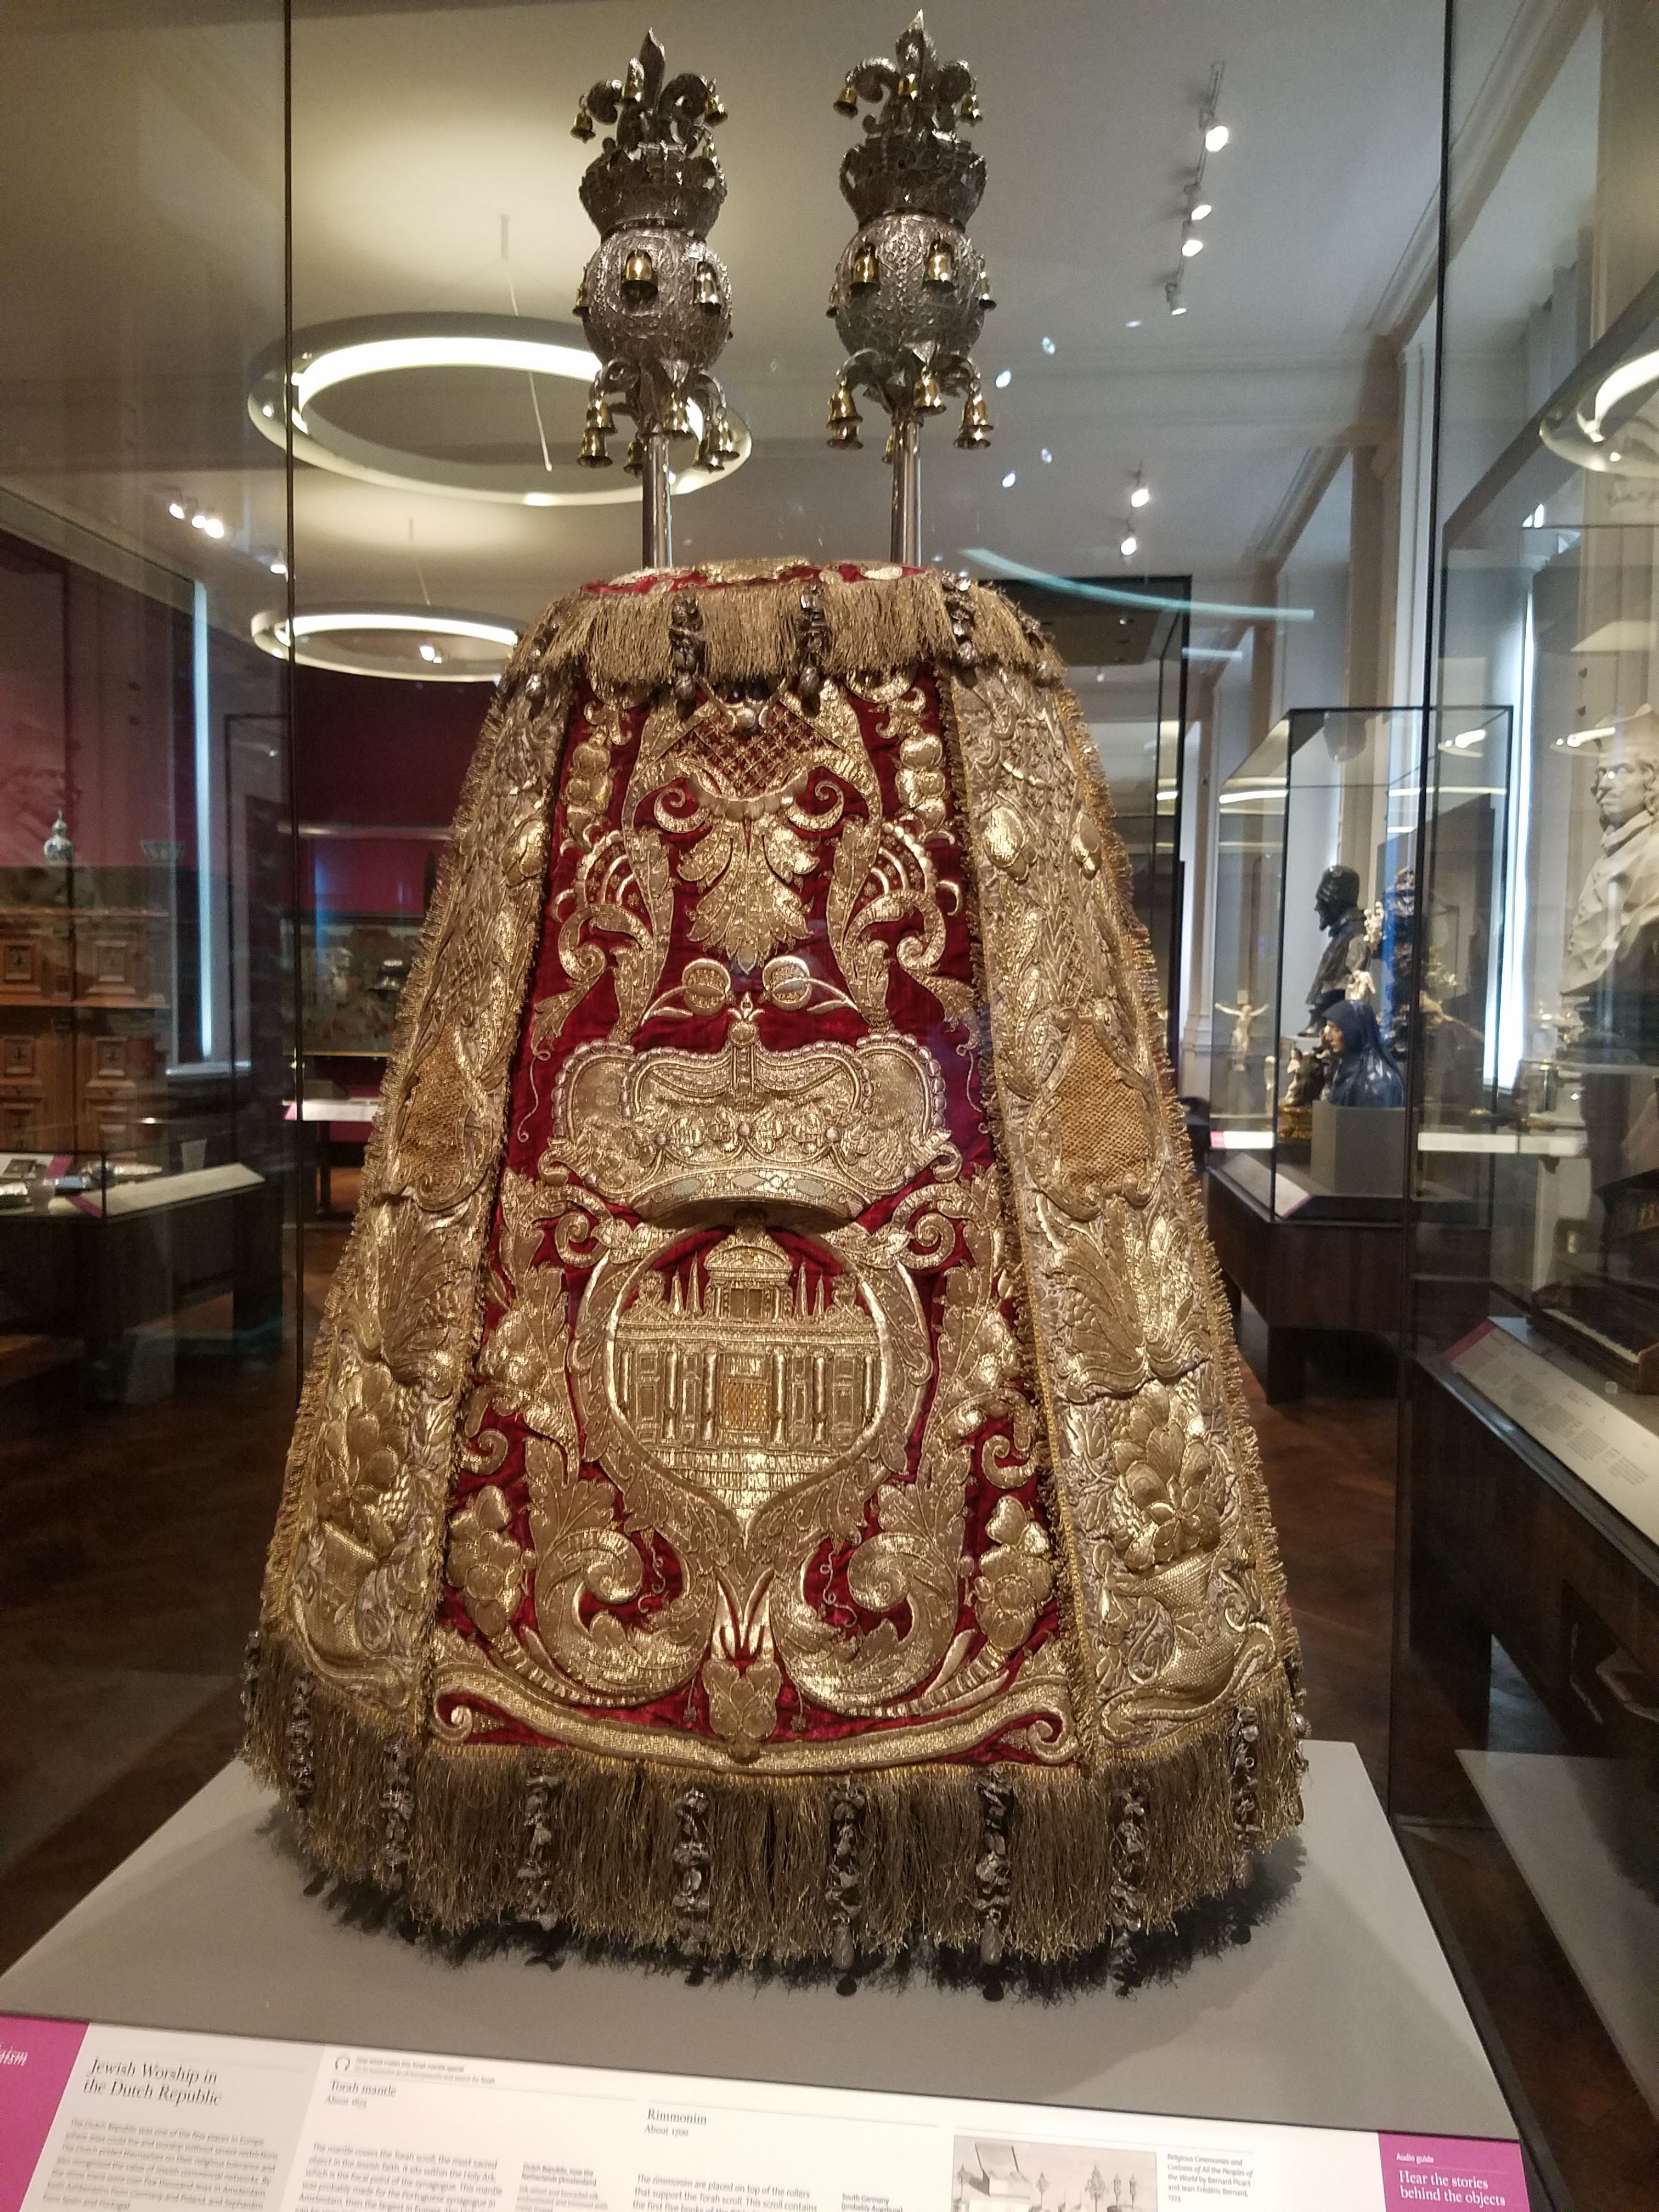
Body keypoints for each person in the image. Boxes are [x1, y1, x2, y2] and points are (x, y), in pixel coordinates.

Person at [1560, 706, 1659, 1058]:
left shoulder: (1654, 857)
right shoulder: (1606, 859)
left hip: (1637, 1032)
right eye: (1601, 773)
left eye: (1618, 771)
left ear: (1652, 778)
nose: (1603, 785)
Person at [1305, 862, 1368, 1026]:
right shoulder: (1343, 935)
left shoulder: (1356, 935)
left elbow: (1340, 986)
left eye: (1323, 901)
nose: (1318, 907)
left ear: (1336, 902)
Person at [1321, 995, 1405, 1108]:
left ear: (1354, 1031)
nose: (1328, 1038)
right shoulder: (1347, 1069)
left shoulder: (1376, 1082)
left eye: (1336, 1029)